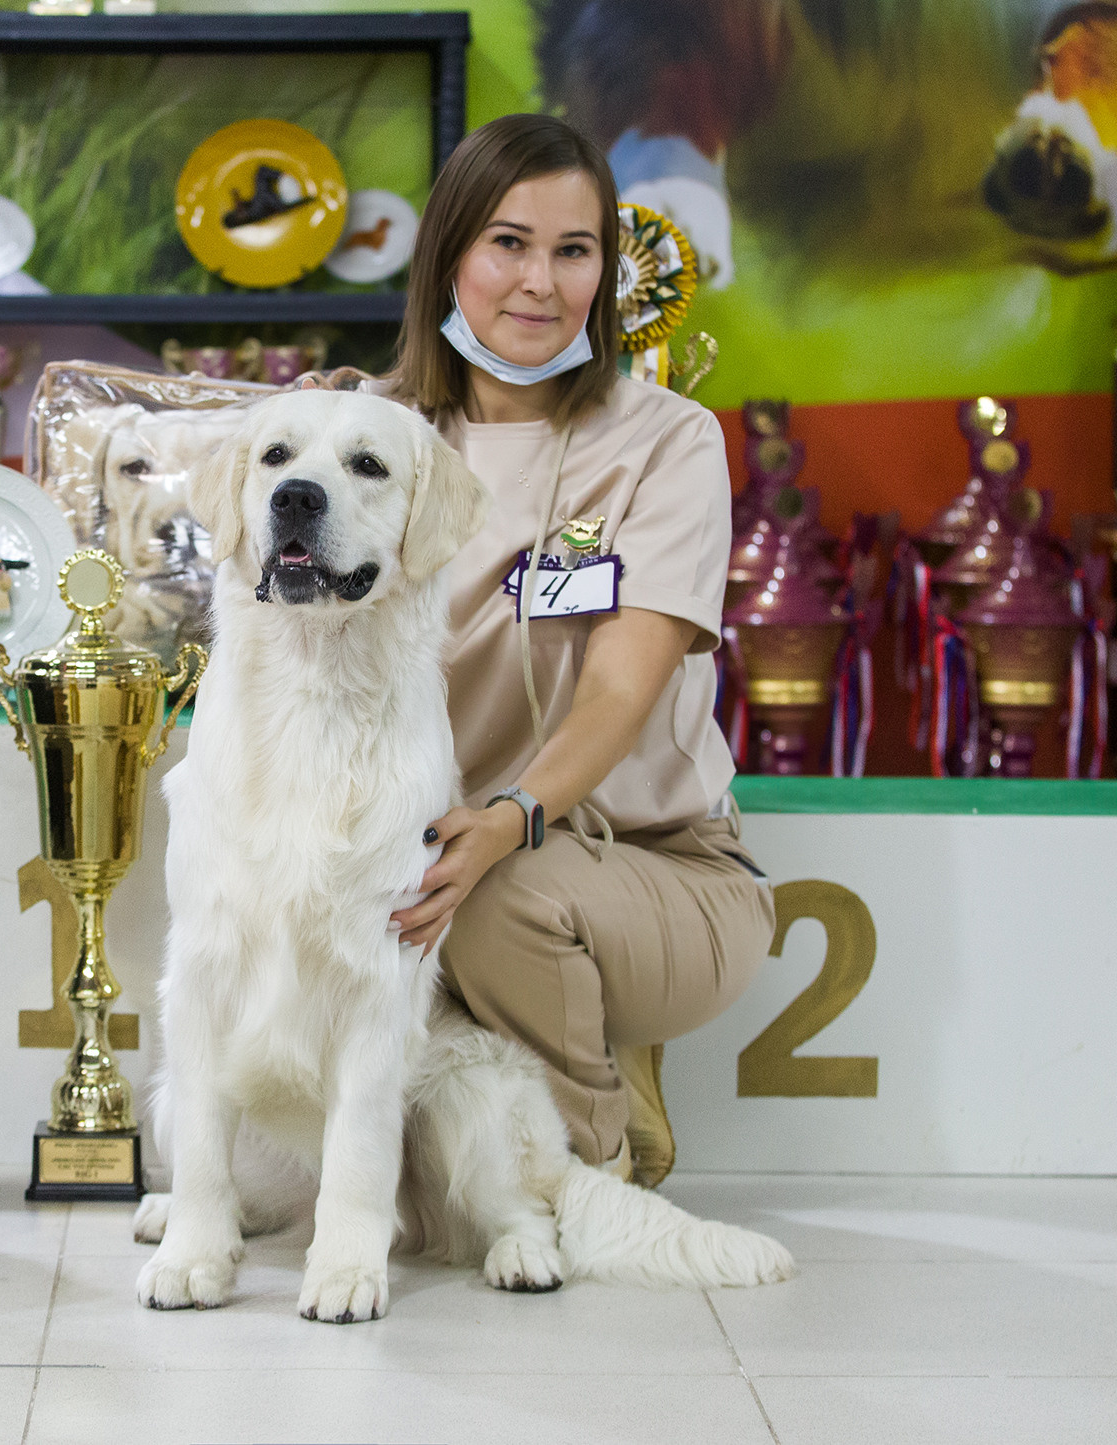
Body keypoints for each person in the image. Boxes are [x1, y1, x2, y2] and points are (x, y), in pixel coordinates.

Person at [385, 114, 774, 1186]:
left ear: (605, 271)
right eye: (506, 243)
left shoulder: (665, 440)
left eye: (573, 250)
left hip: (657, 866)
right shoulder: (374, 440)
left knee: (489, 890)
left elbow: (618, 683)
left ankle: (586, 1166)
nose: (539, 282)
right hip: (425, 842)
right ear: (448, 254)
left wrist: (510, 818)